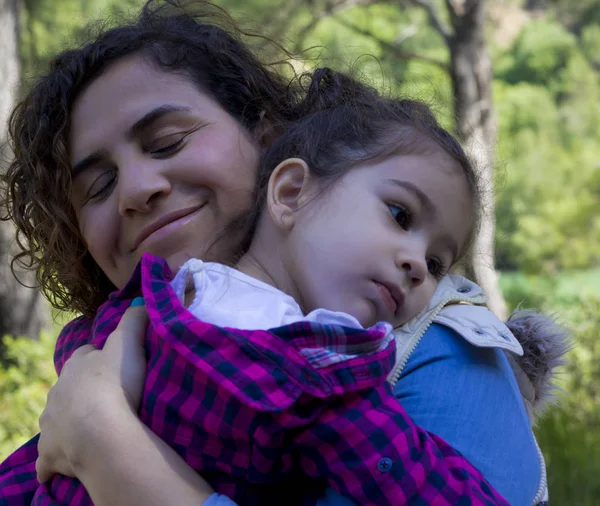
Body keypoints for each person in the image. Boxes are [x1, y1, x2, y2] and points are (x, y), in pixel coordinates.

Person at [0, 1, 566, 505]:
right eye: (97, 187)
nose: (134, 189)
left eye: (169, 141)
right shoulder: (105, 349)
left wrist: (107, 446)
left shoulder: (427, 345)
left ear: (272, 143)